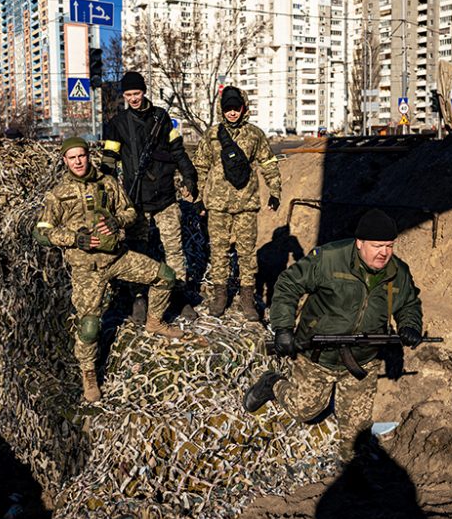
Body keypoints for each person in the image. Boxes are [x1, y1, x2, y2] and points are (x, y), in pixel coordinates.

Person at [243, 208, 424, 462]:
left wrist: (410, 325)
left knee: (356, 433)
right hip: (318, 355)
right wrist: (283, 327)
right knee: (304, 409)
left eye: (389, 245)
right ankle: (272, 382)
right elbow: (288, 284)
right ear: (359, 242)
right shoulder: (329, 259)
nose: (384, 253)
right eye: (377, 245)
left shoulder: (397, 271)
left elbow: (409, 304)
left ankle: (351, 476)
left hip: (363, 360)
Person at [33, 137, 184, 402]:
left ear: (88, 156)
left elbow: (129, 211)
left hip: (117, 257)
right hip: (87, 269)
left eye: (81, 156)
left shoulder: (108, 182)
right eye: (72, 158)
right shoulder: (58, 194)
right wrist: (73, 239)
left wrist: (117, 221)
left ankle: (154, 321)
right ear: (65, 161)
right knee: (90, 327)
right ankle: (88, 374)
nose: (78, 161)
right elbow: (42, 232)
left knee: (165, 276)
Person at [101, 71, 200, 323]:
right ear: (123, 96)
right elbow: (109, 162)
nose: (133, 98)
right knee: (138, 251)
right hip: (136, 201)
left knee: (174, 250)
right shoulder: (117, 123)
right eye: (128, 95)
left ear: (144, 92)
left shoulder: (162, 118)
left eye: (137, 93)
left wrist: (190, 177)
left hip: (165, 197)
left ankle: (179, 295)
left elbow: (178, 151)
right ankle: (138, 298)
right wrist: (105, 192)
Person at [192, 86, 281, 320]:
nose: (232, 113)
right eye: (228, 108)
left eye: (236, 108)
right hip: (218, 204)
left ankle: (247, 298)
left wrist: (275, 191)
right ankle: (220, 295)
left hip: (246, 203)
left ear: (243, 108)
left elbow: (268, 163)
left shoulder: (255, 134)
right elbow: (200, 167)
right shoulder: (212, 135)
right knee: (219, 251)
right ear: (222, 110)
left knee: (247, 252)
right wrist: (198, 198)